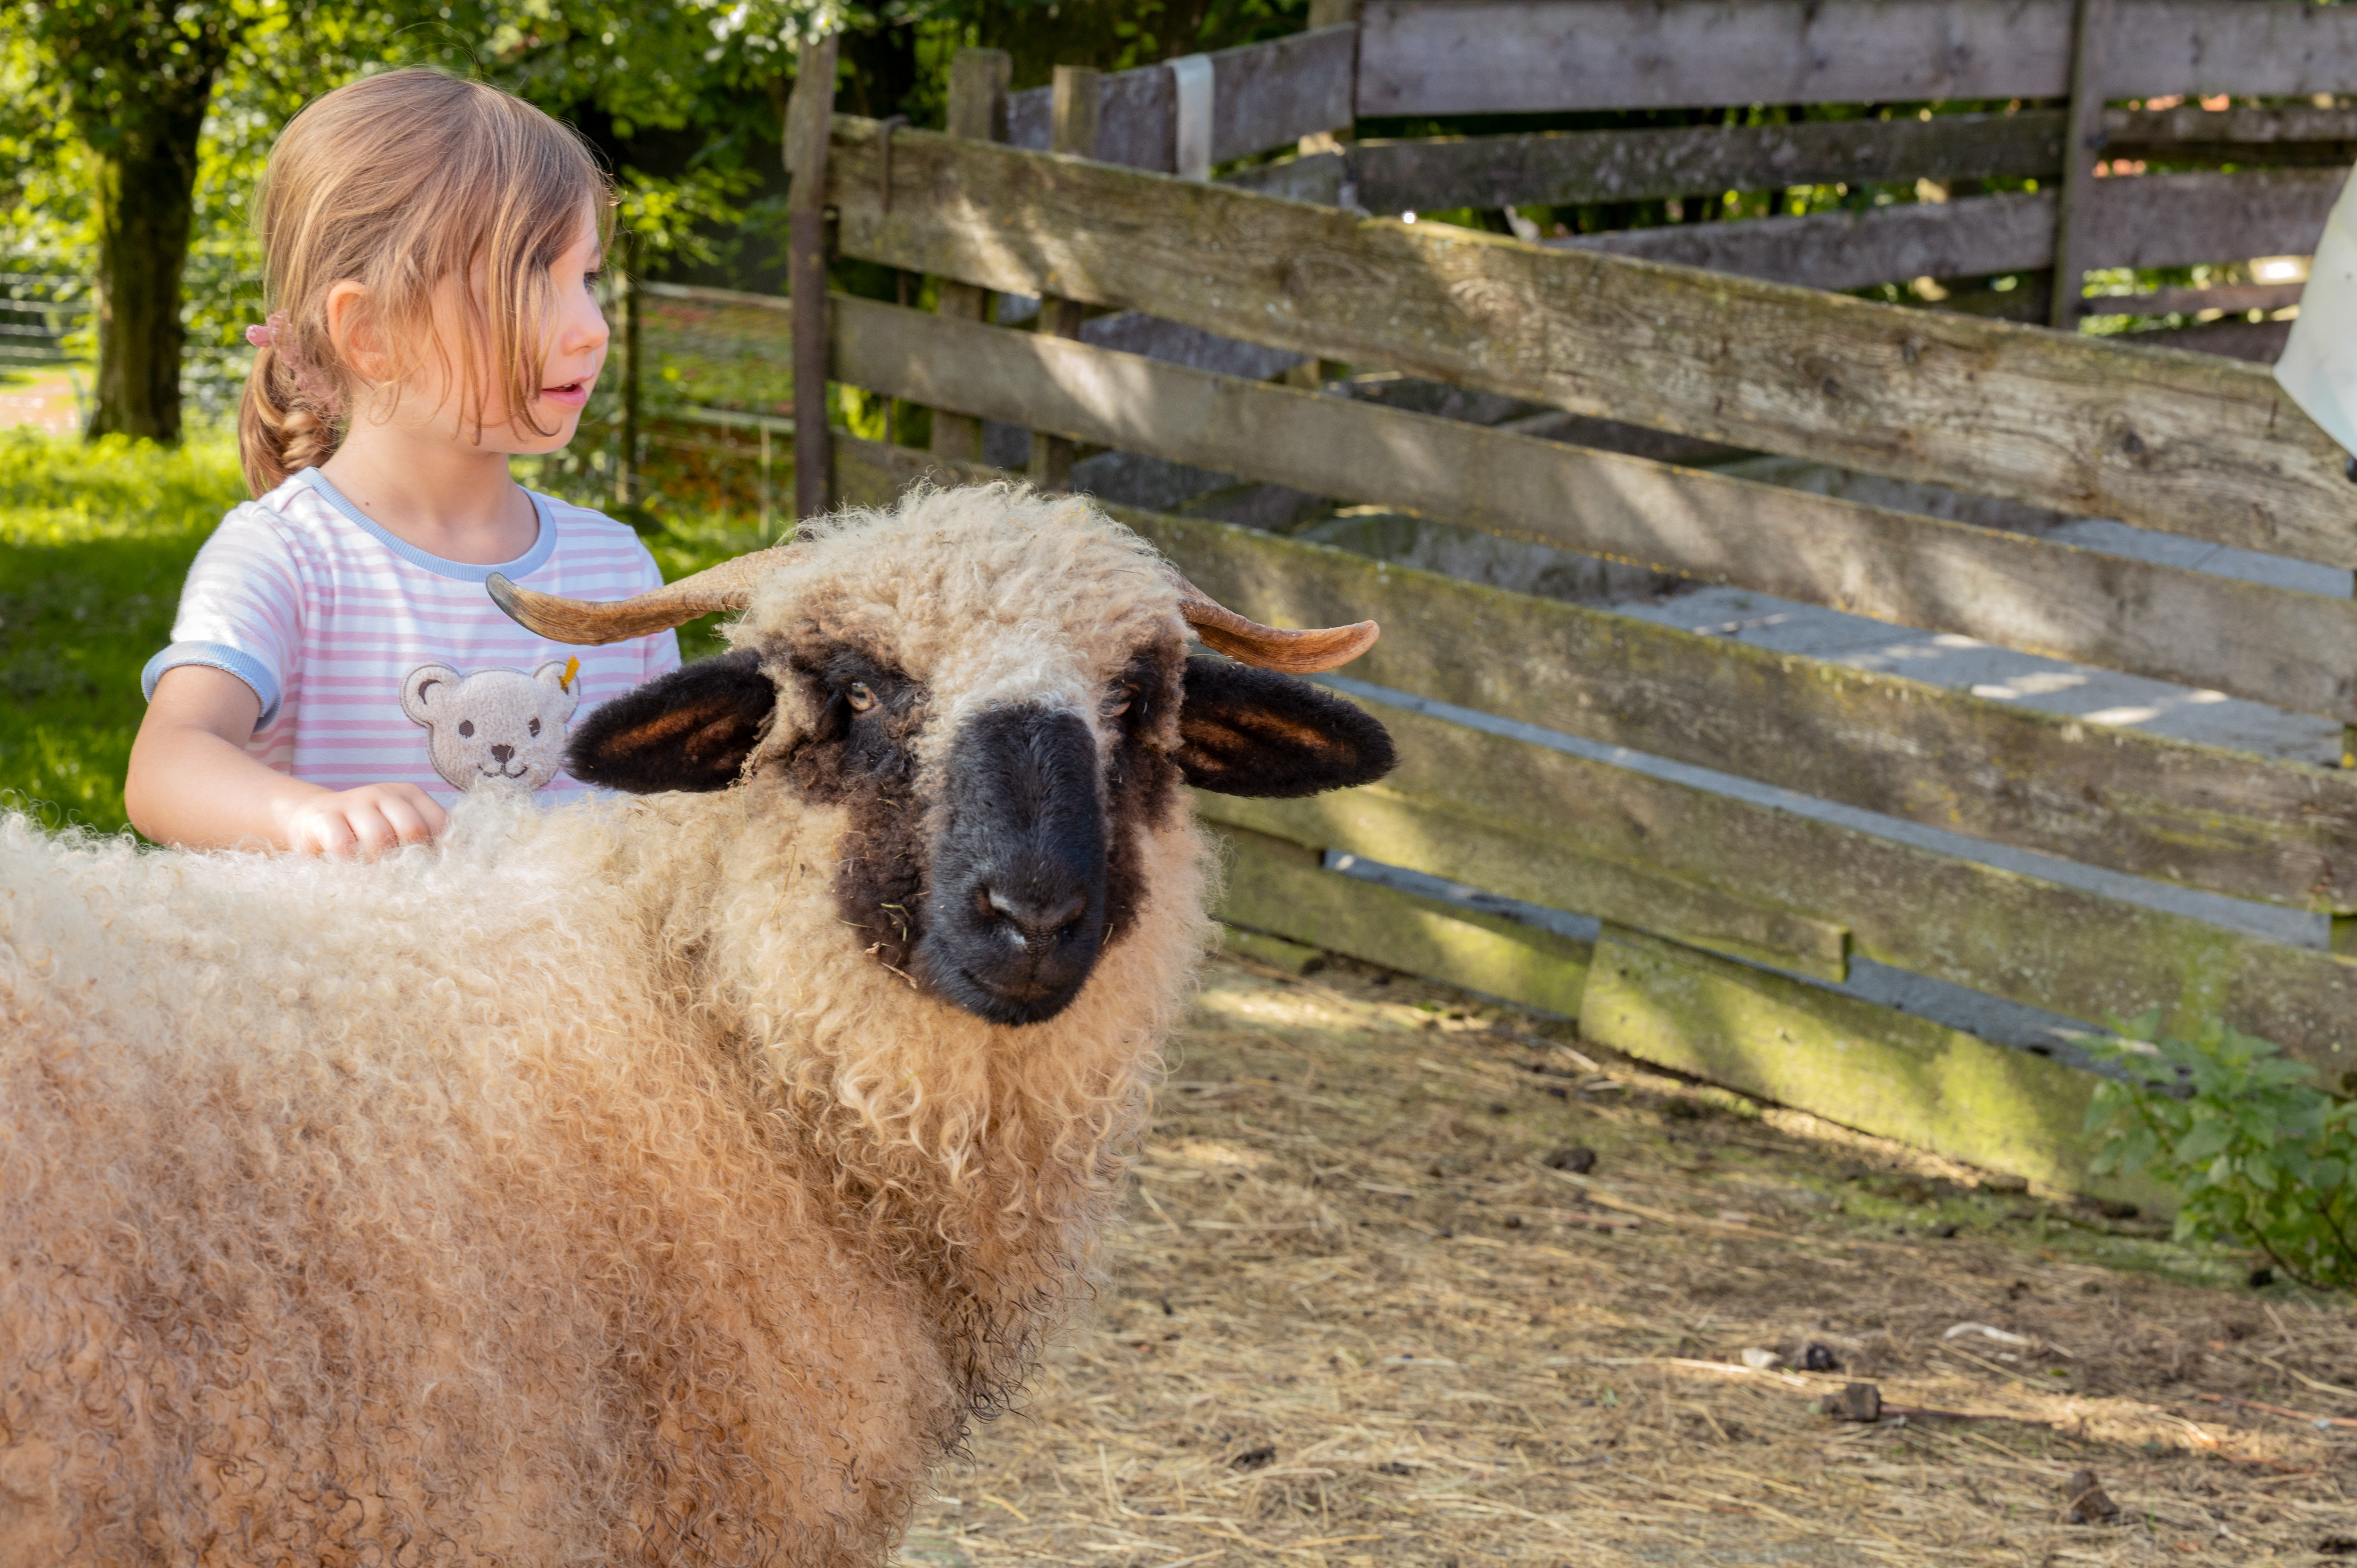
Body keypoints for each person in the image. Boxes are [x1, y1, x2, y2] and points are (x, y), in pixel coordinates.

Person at [124, 69, 678, 857]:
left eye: (586, 277)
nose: (591, 326)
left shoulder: (617, 568)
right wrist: (302, 817)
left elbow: (677, 816)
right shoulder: (286, 557)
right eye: (528, 277)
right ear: (373, 333)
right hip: (357, 975)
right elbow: (166, 764)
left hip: (573, 980)